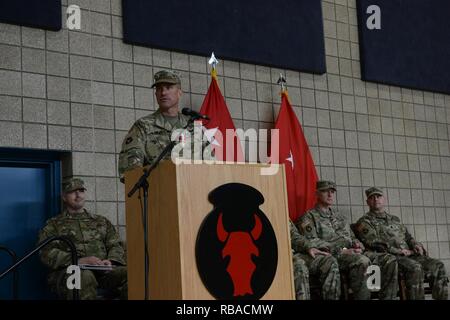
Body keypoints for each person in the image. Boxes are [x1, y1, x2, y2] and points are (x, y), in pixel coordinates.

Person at [38, 178, 127, 300]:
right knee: (84, 276)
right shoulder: (54, 224)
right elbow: (46, 252)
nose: (78, 194)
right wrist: (79, 261)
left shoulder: (101, 221)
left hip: (102, 272)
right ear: (64, 197)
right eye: (72, 191)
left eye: (81, 190)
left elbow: (115, 244)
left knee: (130, 274)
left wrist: (110, 261)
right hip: (68, 272)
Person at [118, 69, 213, 182]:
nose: (163, 93)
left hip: (191, 191)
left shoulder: (193, 127)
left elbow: (211, 166)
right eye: (159, 89)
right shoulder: (143, 126)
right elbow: (131, 171)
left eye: (168, 87)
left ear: (179, 92)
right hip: (158, 193)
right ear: (155, 94)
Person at [354, 187, 448, 300]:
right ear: (367, 202)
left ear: (384, 199)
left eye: (378, 196)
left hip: (410, 254)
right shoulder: (364, 222)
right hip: (392, 258)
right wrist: (399, 251)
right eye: (372, 197)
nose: (376, 199)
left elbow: (407, 236)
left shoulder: (395, 219)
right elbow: (374, 243)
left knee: (438, 265)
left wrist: (415, 244)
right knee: (415, 268)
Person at [296, 180, 371, 300]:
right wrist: (341, 251)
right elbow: (313, 242)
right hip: (328, 255)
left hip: (348, 254)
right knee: (361, 261)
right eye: (325, 191)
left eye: (332, 192)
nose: (330, 195)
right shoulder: (308, 217)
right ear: (316, 194)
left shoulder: (340, 217)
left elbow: (351, 237)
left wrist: (357, 244)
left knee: (365, 260)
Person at [289, 220, 310, 300]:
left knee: (299, 264)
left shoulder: (282, 215)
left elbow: (295, 237)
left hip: (288, 255)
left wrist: (308, 246)